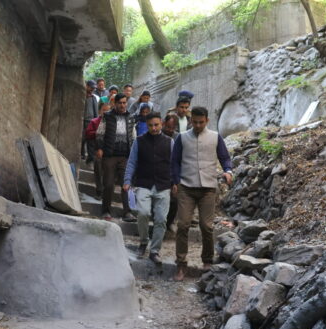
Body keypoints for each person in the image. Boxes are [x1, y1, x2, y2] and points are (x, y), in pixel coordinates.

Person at [171, 106, 233, 281]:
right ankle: (181, 265)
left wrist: (228, 170)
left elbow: (225, 157)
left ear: (207, 121)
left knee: (207, 226)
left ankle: (207, 260)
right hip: (186, 187)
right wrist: (175, 181)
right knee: (183, 225)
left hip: (208, 188)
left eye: (201, 122)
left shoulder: (215, 137)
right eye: (195, 122)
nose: (198, 125)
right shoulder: (182, 138)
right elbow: (174, 161)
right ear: (191, 121)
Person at [123, 112, 174, 264]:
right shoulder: (139, 141)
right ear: (147, 125)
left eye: (156, 125)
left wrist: (175, 182)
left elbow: (173, 164)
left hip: (163, 185)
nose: (153, 128)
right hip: (143, 183)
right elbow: (132, 162)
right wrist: (127, 180)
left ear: (161, 124)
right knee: (143, 213)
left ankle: (155, 250)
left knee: (161, 219)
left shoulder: (169, 142)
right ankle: (144, 241)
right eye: (151, 125)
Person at [96, 93, 137, 222]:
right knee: (108, 184)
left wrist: (134, 154)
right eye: (120, 103)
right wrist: (100, 148)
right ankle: (106, 211)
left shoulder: (131, 117)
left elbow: (133, 136)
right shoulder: (107, 116)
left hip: (125, 156)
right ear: (115, 103)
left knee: (126, 184)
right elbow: (99, 133)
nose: (123, 105)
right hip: (110, 155)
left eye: (125, 103)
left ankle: (127, 212)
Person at [85, 101, 111, 199]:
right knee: (98, 171)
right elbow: (88, 133)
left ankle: (107, 192)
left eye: (108, 110)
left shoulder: (112, 123)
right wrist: (98, 133)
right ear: (100, 111)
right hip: (97, 151)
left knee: (108, 173)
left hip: (109, 152)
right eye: (104, 110)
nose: (105, 112)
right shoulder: (94, 121)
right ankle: (99, 191)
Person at [83, 80, 99, 160]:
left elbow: (96, 112)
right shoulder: (82, 95)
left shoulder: (93, 98)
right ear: (87, 86)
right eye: (91, 87)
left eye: (93, 88)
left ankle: (90, 158)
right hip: (81, 121)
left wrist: (96, 123)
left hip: (90, 122)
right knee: (82, 139)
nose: (92, 89)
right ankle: (82, 154)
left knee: (90, 140)